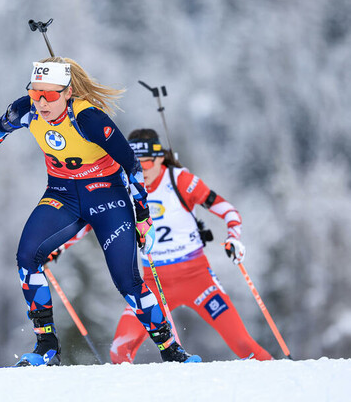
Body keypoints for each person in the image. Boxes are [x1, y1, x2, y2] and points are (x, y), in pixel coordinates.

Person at [0, 58, 200, 366]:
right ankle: (47, 347)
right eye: (36, 92)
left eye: (50, 95)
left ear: (67, 93)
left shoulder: (88, 118)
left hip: (107, 199)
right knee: (27, 258)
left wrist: (143, 217)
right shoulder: (26, 109)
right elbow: (0, 128)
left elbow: (131, 165)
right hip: (62, 195)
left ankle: (171, 349)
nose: (41, 102)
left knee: (127, 281)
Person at [58, 129, 273, 363]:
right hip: (152, 283)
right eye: (134, 164)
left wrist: (233, 237)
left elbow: (227, 210)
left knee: (244, 345)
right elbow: (89, 223)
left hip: (198, 279)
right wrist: (56, 248)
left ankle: (284, 380)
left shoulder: (180, 180)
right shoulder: (121, 188)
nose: (141, 170)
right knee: (120, 351)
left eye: (147, 162)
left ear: (160, 157)